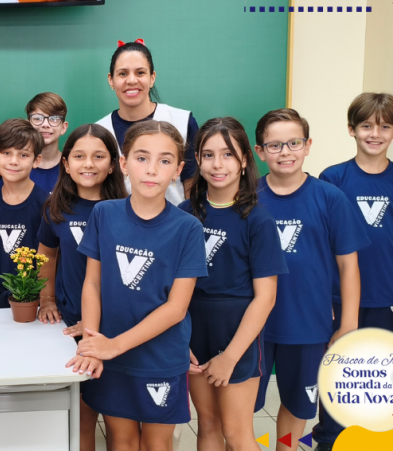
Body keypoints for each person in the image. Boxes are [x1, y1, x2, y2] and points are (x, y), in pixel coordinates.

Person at [67, 120, 207, 451]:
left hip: (160, 358)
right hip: (110, 353)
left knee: (156, 445)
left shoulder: (188, 228)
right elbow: (92, 284)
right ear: (124, 163)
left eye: (165, 160)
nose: (152, 169)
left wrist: (114, 346)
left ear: (178, 170)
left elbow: (176, 308)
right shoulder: (104, 214)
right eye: (142, 158)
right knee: (121, 441)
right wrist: (93, 344)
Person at [313, 93, 393, 451]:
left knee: (374, 373)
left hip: (384, 295)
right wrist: (322, 296)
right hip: (337, 296)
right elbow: (323, 243)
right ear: (351, 130)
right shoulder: (333, 177)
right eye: (366, 126)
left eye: (384, 127)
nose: (374, 134)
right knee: (337, 368)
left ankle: (369, 437)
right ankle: (331, 439)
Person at [252, 109, 370, 451]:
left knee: (296, 405)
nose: (285, 152)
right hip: (253, 325)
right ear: (260, 152)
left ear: (307, 146)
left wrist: (348, 323)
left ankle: (285, 448)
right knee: (243, 404)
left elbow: (349, 266)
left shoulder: (329, 197)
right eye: (274, 145)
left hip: (308, 324)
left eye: (294, 143)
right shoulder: (248, 197)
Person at [179, 117, 288, 451]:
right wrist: (181, 339)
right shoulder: (184, 214)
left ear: (244, 160)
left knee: (237, 433)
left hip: (237, 334)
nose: (217, 164)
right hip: (194, 330)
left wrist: (229, 356)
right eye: (208, 155)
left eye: (227, 154)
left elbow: (266, 298)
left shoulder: (258, 219)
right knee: (207, 424)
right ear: (197, 160)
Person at [36, 124, 127, 451]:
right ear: (66, 162)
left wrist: (97, 324)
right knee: (82, 418)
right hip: (72, 325)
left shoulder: (128, 209)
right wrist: (47, 299)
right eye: (79, 156)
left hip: (116, 330)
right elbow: (47, 255)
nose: (88, 164)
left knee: (119, 423)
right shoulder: (56, 207)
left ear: (113, 164)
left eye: (98, 156)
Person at [95, 39, 199, 205]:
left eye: (140, 73)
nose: (131, 80)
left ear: (152, 78)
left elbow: (192, 188)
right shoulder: (98, 131)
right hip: (119, 221)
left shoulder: (182, 122)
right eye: (123, 74)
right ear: (111, 80)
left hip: (174, 219)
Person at [0, 119, 49, 308]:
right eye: (6, 153)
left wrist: (47, 302)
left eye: (23, 154)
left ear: (36, 160)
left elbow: (52, 262)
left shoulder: (47, 206)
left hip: (36, 306)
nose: (13, 161)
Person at [26, 92, 70, 194]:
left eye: (54, 119)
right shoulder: (18, 166)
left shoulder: (72, 167)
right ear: (28, 125)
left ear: (63, 127)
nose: (45, 125)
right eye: (38, 118)